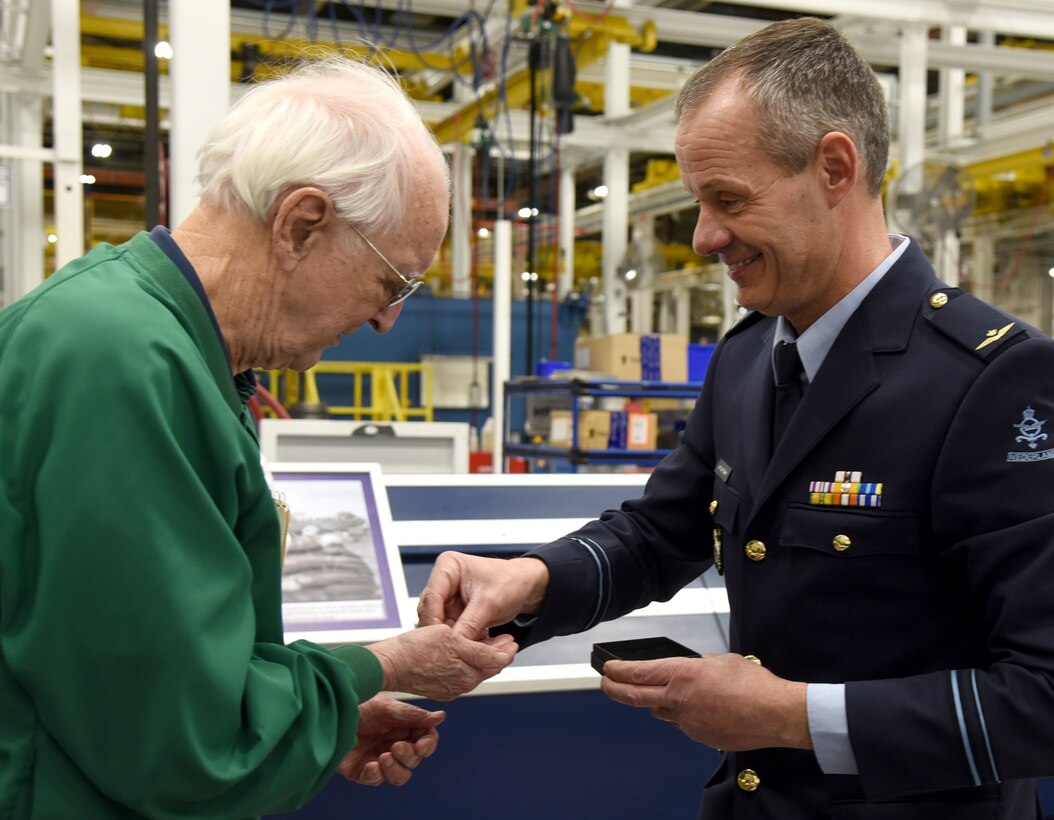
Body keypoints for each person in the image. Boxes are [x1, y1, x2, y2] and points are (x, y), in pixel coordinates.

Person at [419, 17, 1054, 818]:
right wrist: (533, 578)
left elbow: (1043, 696)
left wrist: (790, 716)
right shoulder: (749, 356)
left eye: (728, 199)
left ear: (834, 167)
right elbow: (663, 532)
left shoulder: (991, 381)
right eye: (698, 201)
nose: (703, 237)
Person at [0, 57, 517, 817]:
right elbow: (180, 746)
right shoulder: (117, 364)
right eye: (392, 282)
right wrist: (381, 666)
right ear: (300, 224)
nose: (387, 321)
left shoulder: (166, 350)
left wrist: (320, 720)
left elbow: (165, 670)